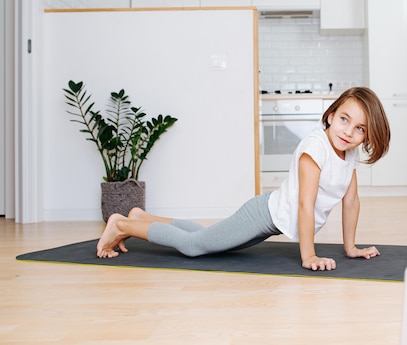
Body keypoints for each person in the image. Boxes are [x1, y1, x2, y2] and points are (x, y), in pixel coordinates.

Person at [96, 87, 391, 271]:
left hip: (271, 220)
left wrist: (350, 248)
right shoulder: (317, 148)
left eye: (360, 129)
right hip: (262, 215)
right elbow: (305, 204)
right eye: (344, 119)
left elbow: (351, 201)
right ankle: (122, 224)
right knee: (195, 246)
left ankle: (142, 216)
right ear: (331, 114)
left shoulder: (348, 155)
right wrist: (309, 257)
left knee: (204, 236)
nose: (348, 132)